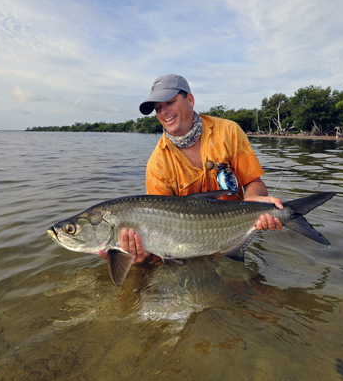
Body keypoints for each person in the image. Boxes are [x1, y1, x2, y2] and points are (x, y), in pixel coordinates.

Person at [120, 74, 283, 264]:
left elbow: (253, 182)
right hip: (188, 251)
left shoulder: (229, 131)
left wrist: (254, 201)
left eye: (170, 102)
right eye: (157, 108)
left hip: (235, 233)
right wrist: (140, 256)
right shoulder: (157, 164)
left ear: (190, 100)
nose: (163, 112)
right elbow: (161, 235)